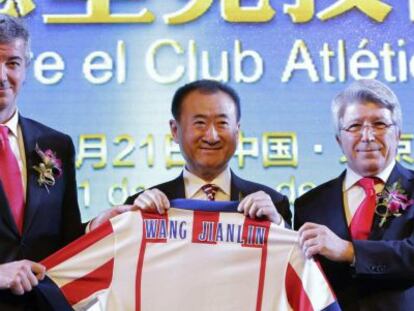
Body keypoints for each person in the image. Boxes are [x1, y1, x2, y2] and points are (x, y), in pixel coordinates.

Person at [0, 14, 122, 310]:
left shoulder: (56, 145)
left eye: (12, 63)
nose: (2, 76)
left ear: (26, 68)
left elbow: (65, 239)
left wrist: (99, 226)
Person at [294, 79, 414, 310]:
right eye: (355, 126)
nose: (367, 136)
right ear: (339, 139)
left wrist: (348, 251)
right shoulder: (309, 205)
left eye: (379, 124)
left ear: (398, 134)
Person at [125, 79, 292, 226]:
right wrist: (133, 222)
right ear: (175, 130)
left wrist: (278, 225)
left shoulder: (273, 204)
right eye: (200, 123)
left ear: (237, 131)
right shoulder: (142, 206)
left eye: (222, 123)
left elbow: (296, 258)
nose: (212, 137)